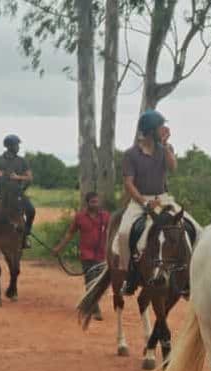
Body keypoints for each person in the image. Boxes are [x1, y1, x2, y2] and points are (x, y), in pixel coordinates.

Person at [113, 109, 179, 296]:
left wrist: (165, 146)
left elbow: (173, 167)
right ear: (150, 130)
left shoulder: (165, 149)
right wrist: (144, 202)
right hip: (140, 201)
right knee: (124, 233)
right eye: (160, 127)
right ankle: (129, 275)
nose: (164, 130)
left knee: (193, 227)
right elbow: (129, 184)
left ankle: (188, 272)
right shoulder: (131, 154)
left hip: (163, 198)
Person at [52, 191, 110, 321]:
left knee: (99, 283)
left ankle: (88, 304)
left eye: (97, 201)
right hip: (87, 255)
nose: (96, 204)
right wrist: (59, 248)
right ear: (87, 203)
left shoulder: (106, 216)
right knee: (91, 281)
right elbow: (70, 233)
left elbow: (112, 232)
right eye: (93, 202)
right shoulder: (80, 217)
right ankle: (95, 309)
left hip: (101, 255)